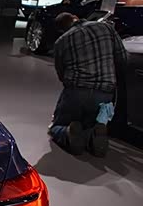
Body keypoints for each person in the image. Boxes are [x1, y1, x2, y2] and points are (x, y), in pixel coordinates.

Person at [48, 13, 127, 157]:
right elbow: (122, 58)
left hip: (76, 92)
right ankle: (93, 133)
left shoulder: (61, 41)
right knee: (90, 122)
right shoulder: (106, 28)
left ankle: (67, 133)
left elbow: (62, 74)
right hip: (105, 91)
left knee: (56, 126)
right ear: (75, 17)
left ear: (62, 29)